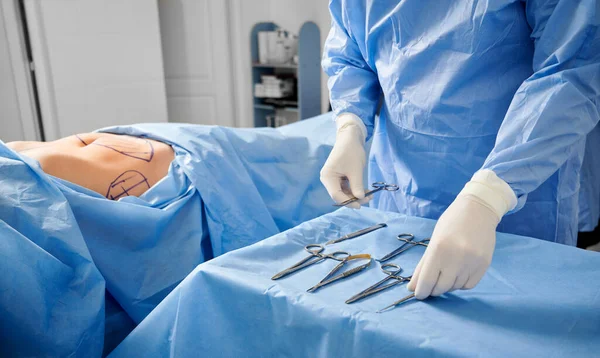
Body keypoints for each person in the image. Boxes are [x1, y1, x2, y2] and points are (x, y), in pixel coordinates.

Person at [320, 0, 600, 300]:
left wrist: (487, 197)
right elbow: (350, 52)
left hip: (517, 193)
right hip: (401, 188)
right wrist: (351, 125)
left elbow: (571, 72)